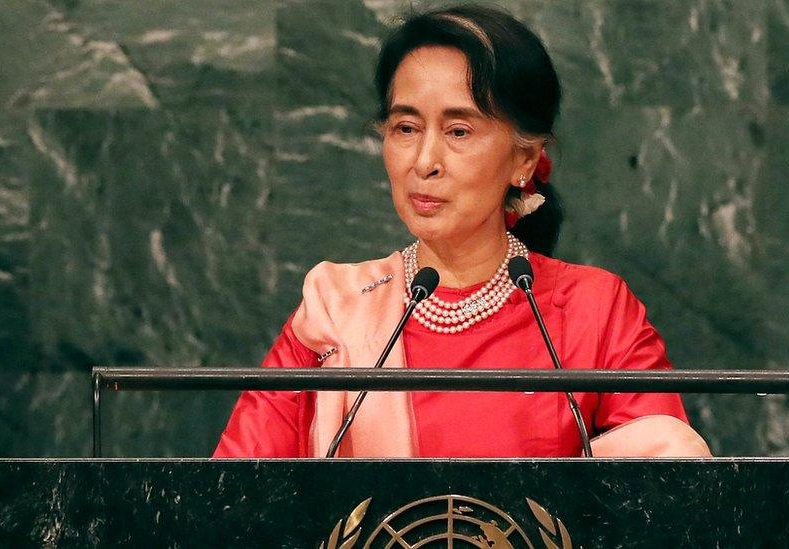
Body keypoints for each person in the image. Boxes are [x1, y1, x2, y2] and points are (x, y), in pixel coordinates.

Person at [214, 5, 710, 458]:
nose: (424, 162)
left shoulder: (593, 312)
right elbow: (230, 498)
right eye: (405, 128)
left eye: (458, 131)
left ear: (525, 158)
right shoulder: (333, 313)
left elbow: (664, 489)